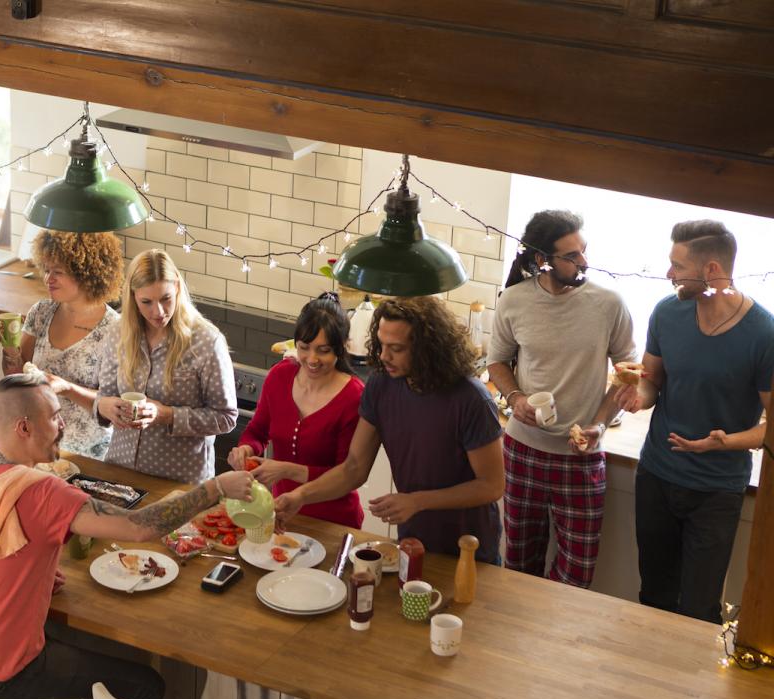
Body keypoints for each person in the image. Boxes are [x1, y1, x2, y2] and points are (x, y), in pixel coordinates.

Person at [0, 372, 253, 699]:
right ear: (24, 427)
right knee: (144, 684)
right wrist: (214, 489)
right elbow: (137, 527)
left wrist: (25, 577)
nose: (62, 424)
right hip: (0, 671)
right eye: (55, 416)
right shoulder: (43, 490)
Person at [616, 220, 774, 623]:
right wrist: (638, 396)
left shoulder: (764, 334)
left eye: (676, 265)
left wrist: (728, 442)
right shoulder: (667, 313)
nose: (668, 274)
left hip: (716, 490)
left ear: (711, 270)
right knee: (654, 595)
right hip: (656, 476)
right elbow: (653, 384)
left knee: (699, 610)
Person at [275, 296, 505, 561]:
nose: (384, 356)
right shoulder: (382, 386)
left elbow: (492, 486)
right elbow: (353, 468)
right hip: (412, 540)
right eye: (382, 344)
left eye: (396, 348)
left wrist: (417, 501)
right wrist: (300, 496)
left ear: (427, 348)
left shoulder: (471, 399)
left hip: (469, 548)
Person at [487, 210, 636, 587]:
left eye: (584, 251)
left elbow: (626, 374)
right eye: (572, 256)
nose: (584, 261)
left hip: (581, 458)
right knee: (519, 566)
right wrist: (516, 397)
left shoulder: (609, 305)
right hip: (522, 452)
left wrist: (600, 424)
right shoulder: (514, 301)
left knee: (576, 577)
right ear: (542, 260)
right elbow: (497, 363)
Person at [94, 249, 237, 483]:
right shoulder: (117, 333)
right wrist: (103, 406)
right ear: (133, 297)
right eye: (146, 302)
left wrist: (167, 415)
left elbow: (226, 417)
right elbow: (104, 396)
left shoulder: (206, 342)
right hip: (120, 471)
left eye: (165, 298)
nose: (158, 311)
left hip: (179, 481)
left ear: (178, 288)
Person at [228, 292, 365, 529]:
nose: (312, 359)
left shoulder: (354, 397)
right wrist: (246, 449)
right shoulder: (279, 376)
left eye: (323, 350)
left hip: (335, 522)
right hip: (281, 513)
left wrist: (286, 470)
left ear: (342, 348)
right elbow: (258, 432)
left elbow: (346, 474)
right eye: (304, 347)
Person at [0, 230, 123, 458]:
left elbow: (115, 406)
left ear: (86, 273)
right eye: (46, 270)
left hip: (86, 455)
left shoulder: (117, 330)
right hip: (34, 447)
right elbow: (16, 377)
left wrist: (66, 387)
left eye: (58, 272)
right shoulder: (41, 312)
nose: (48, 279)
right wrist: (9, 346)